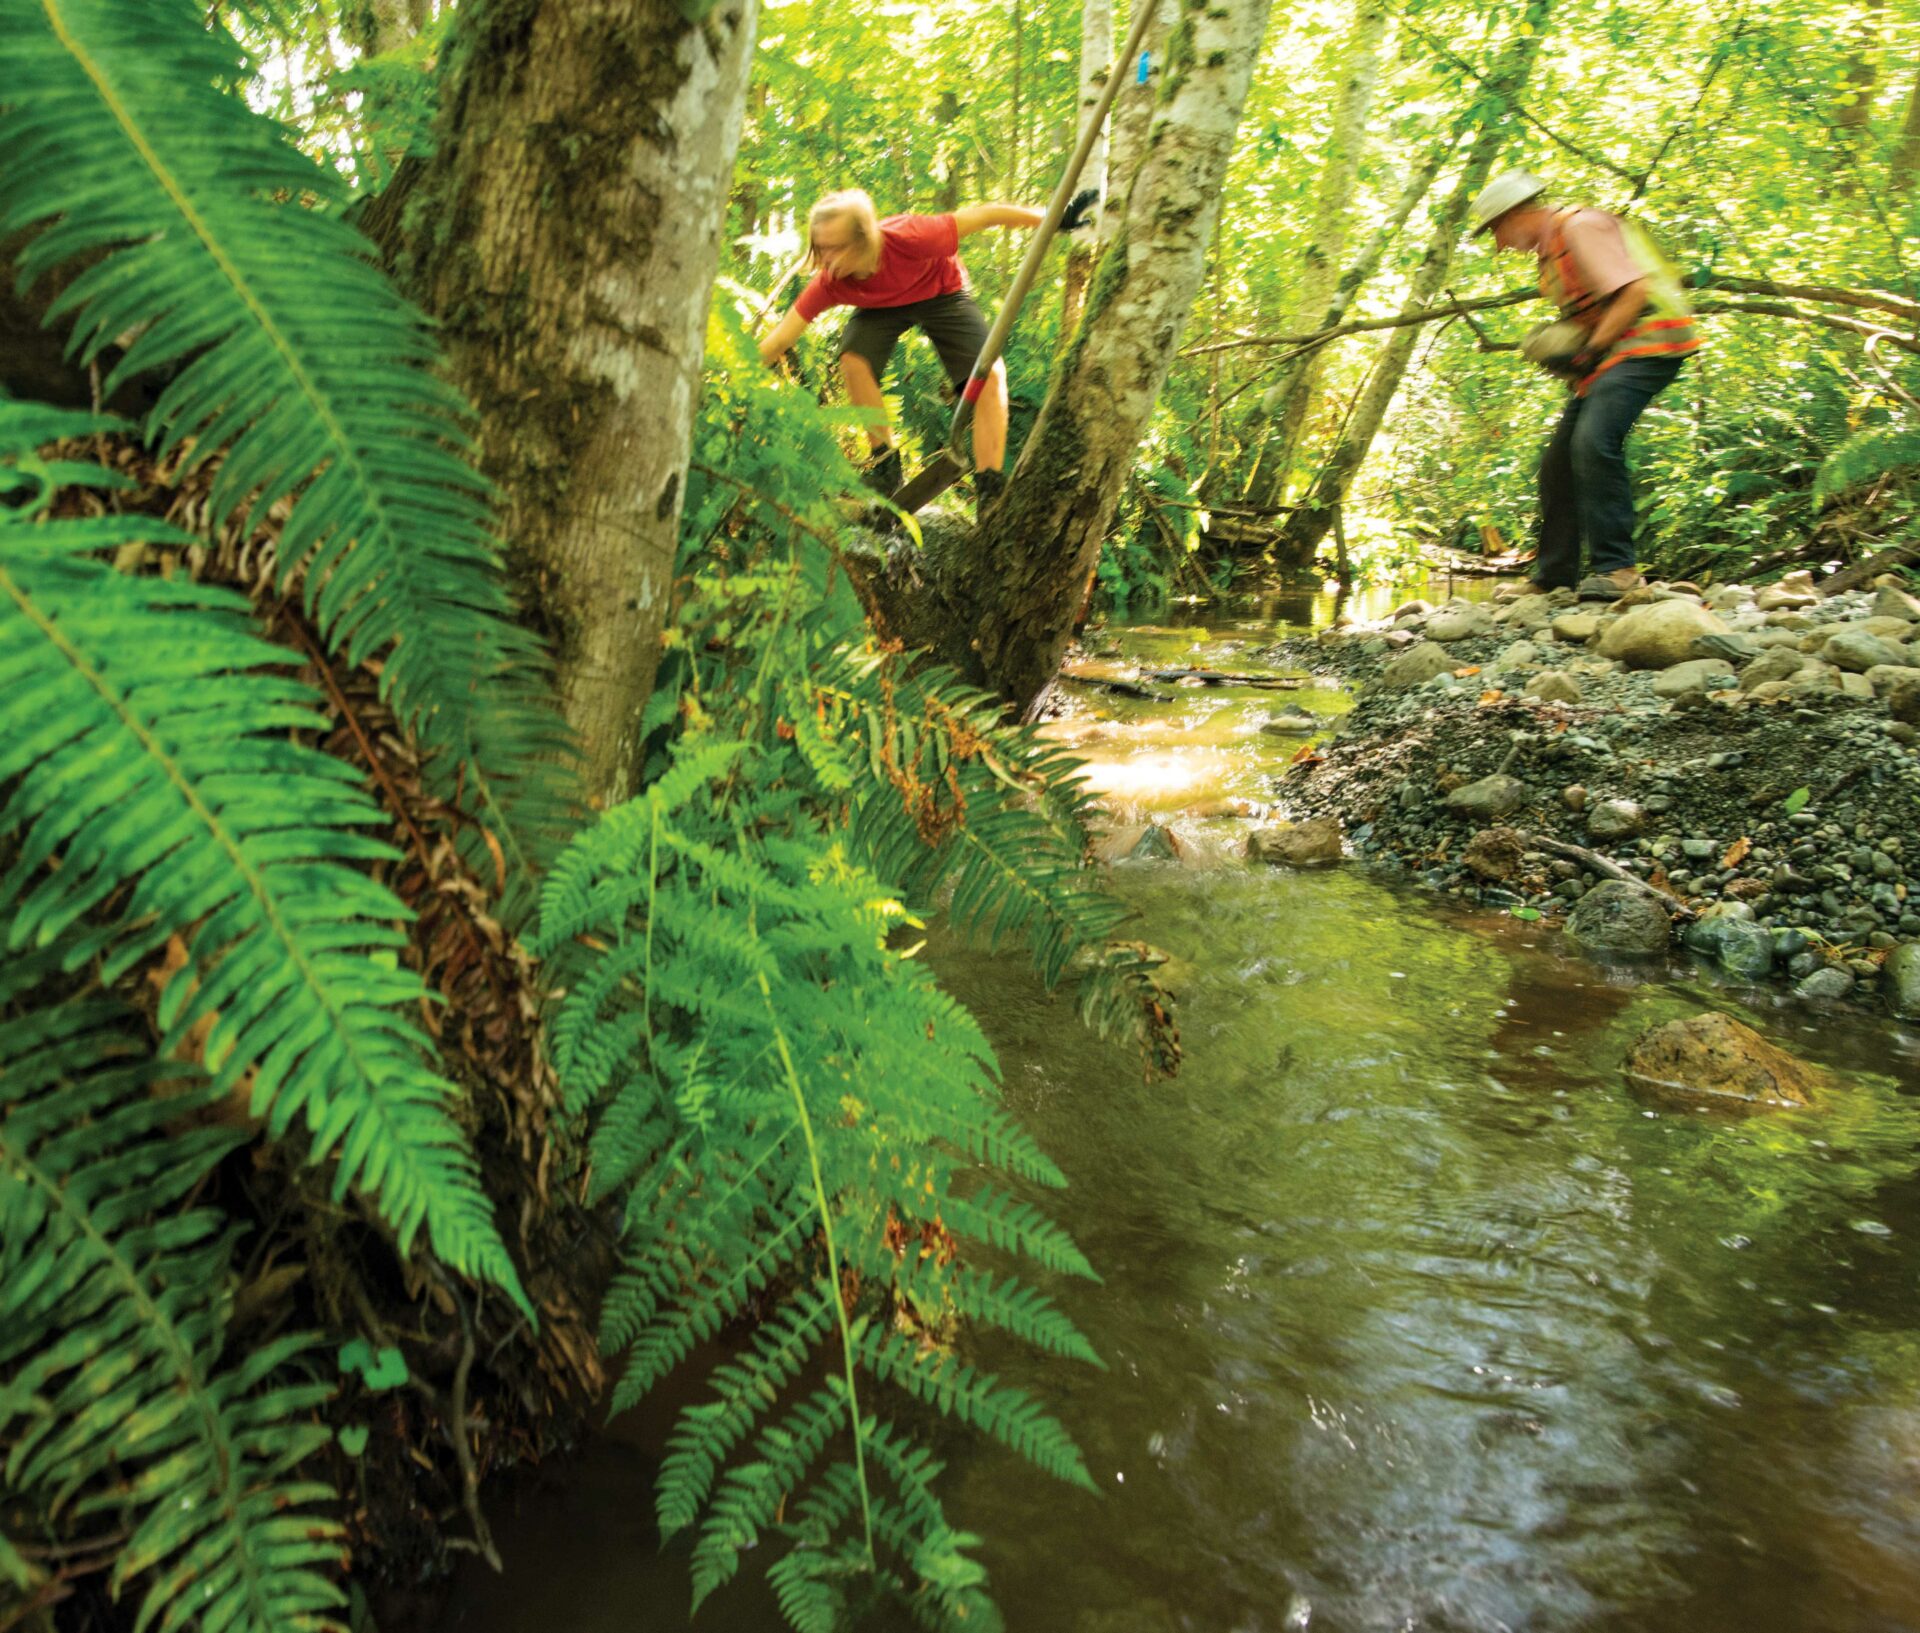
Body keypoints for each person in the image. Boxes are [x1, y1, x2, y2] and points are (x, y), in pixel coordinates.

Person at [758, 188, 1084, 509]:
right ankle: (884, 466)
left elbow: (986, 215)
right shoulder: (833, 280)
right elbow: (782, 339)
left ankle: (990, 488)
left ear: (864, 239)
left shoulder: (914, 237)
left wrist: (1054, 216)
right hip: (880, 309)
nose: (826, 259)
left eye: (836, 248)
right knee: (854, 359)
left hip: (941, 292)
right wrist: (726, 376)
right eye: (821, 248)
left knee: (991, 376)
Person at [1468, 170, 1702, 595]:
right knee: (1557, 464)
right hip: (1613, 355)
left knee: (1592, 443)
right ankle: (1553, 576)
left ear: (1518, 213)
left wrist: (1588, 351)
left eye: (1496, 231)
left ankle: (1619, 571)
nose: (1499, 245)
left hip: (1650, 345)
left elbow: (1634, 293)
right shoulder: (1552, 251)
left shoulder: (1581, 227)